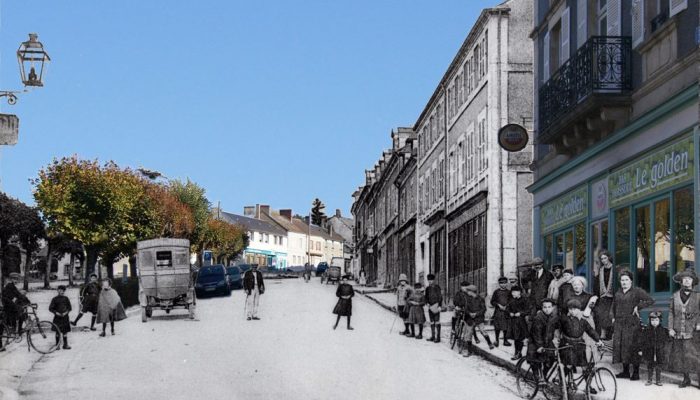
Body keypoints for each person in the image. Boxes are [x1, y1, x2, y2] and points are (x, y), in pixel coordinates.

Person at [610, 269, 654, 381]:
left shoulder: (637, 291)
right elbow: (613, 307)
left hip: (632, 324)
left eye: (626, 280)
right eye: (622, 280)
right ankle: (625, 372)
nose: (624, 282)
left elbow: (650, 300)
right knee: (622, 348)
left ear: (631, 281)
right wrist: (613, 317)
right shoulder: (618, 293)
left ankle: (635, 372)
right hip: (619, 324)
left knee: (633, 348)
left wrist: (638, 307)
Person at [547, 299, 604, 370]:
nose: (572, 311)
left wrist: (598, 340)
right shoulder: (563, 319)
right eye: (570, 309)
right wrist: (553, 338)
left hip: (579, 345)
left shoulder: (582, 320)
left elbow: (590, 330)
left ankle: (588, 380)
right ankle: (563, 379)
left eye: (575, 309)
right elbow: (552, 326)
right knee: (568, 365)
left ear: (579, 310)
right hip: (567, 345)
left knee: (585, 366)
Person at [667, 268, 700, 388]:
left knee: (694, 356)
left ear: (692, 282)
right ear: (681, 281)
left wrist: (698, 323)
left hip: (693, 332)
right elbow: (671, 312)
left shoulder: (698, 296)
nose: (686, 281)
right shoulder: (675, 296)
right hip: (678, 331)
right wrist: (670, 328)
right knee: (681, 356)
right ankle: (686, 379)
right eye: (684, 279)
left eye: (689, 279)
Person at [460, 284, 493, 356]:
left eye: (468, 291)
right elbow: (465, 309)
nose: (467, 293)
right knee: (468, 334)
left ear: (472, 292)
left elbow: (483, 309)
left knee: (483, 331)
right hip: (470, 319)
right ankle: (469, 351)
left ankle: (489, 343)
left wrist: (476, 314)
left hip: (479, 319)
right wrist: (469, 313)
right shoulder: (467, 299)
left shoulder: (480, 299)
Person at [527, 298, 557, 378]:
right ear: (542, 308)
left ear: (553, 308)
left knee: (551, 358)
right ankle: (536, 376)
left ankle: (544, 374)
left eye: (549, 307)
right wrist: (539, 346)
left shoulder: (553, 317)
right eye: (545, 307)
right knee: (536, 360)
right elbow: (537, 334)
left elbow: (558, 327)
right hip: (536, 342)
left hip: (547, 342)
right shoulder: (538, 318)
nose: (547, 309)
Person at [637, 311, 668, 387]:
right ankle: (649, 379)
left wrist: (664, 349)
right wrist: (641, 349)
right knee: (650, 365)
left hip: (659, 351)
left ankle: (658, 380)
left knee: (659, 365)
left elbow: (666, 341)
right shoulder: (646, 330)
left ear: (660, 321)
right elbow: (642, 341)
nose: (654, 322)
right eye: (652, 320)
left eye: (656, 320)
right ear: (650, 321)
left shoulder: (663, 330)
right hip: (649, 350)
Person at [593, 251, 615, 339]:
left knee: (612, 314)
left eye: (605, 258)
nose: (603, 260)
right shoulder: (601, 270)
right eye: (602, 259)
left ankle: (612, 333)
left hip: (612, 296)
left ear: (609, 258)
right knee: (602, 314)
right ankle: (603, 333)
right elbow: (597, 284)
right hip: (603, 296)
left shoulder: (615, 269)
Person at [506, 285, 531, 360]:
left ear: (519, 292)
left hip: (521, 322)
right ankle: (516, 352)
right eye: (512, 292)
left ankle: (518, 352)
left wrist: (520, 313)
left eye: (514, 292)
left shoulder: (524, 300)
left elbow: (528, 310)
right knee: (515, 338)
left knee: (520, 338)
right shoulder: (511, 300)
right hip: (513, 322)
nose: (513, 293)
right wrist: (509, 312)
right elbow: (507, 308)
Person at [490, 276, 512, 347]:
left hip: (506, 311)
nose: (503, 284)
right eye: (501, 283)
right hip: (498, 312)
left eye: (505, 283)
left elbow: (511, 301)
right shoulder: (496, 292)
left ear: (507, 283)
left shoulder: (509, 292)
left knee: (505, 327)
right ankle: (497, 340)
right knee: (497, 327)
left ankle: (505, 340)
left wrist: (507, 306)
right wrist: (498, 305)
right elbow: (492, 301)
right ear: (499, 284)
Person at [49, 285, 72, 350]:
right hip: (57, 318)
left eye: (62, 290)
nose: (60, 291)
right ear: (57, 291)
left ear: (64, 291)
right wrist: (56, 313)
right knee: (57, 331)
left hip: (65, 317)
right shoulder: (54, 299)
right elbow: (50, 308)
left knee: (65, 332)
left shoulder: (66, 298)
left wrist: (65, 313)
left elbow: (70, 308)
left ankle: (65, 345)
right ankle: (57, 345)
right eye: (59, 290)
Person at [424, 274, 443, 343]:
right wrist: (427, 303)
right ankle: (433, 336)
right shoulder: (427, 289)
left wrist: (440, 306)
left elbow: (440, 297)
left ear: (434, 280)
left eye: (431, 280)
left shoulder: (437, 288)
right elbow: (425, 297)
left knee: (437, 321)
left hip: (436, 306)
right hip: (430, 307)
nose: (430, 282)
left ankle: (438, 338)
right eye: (429, 280)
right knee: (432, 322)